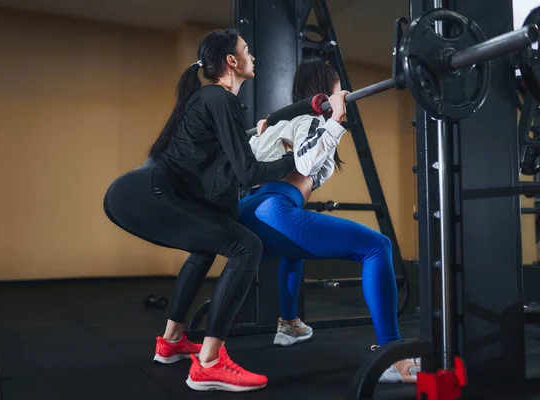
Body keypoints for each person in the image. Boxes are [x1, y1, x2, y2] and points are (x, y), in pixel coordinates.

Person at [103, 29, 297, 393]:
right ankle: (209, 362)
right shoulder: (218, 98)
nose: (252, 56)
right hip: (146, 193)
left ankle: (172, 341)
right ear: (231, 62)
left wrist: (253, 138)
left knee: (209, 246)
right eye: (247, 51)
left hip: (139, 192)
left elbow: (221, 171)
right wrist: (291, 159)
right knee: (246, 247)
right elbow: (248, 173)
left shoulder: (211, 100)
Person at [237, 56, 420, 384]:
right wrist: (336, 116)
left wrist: (262, 133)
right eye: (339, 89)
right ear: (325, 93)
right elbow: (306, 164)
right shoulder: (311, 119)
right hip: (276, 209)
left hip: (249, 211)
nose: (344, 94)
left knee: (295, 250)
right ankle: (392, 356)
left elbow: (248, 161)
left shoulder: (276, 125)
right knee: (377, 246)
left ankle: (290, 325)